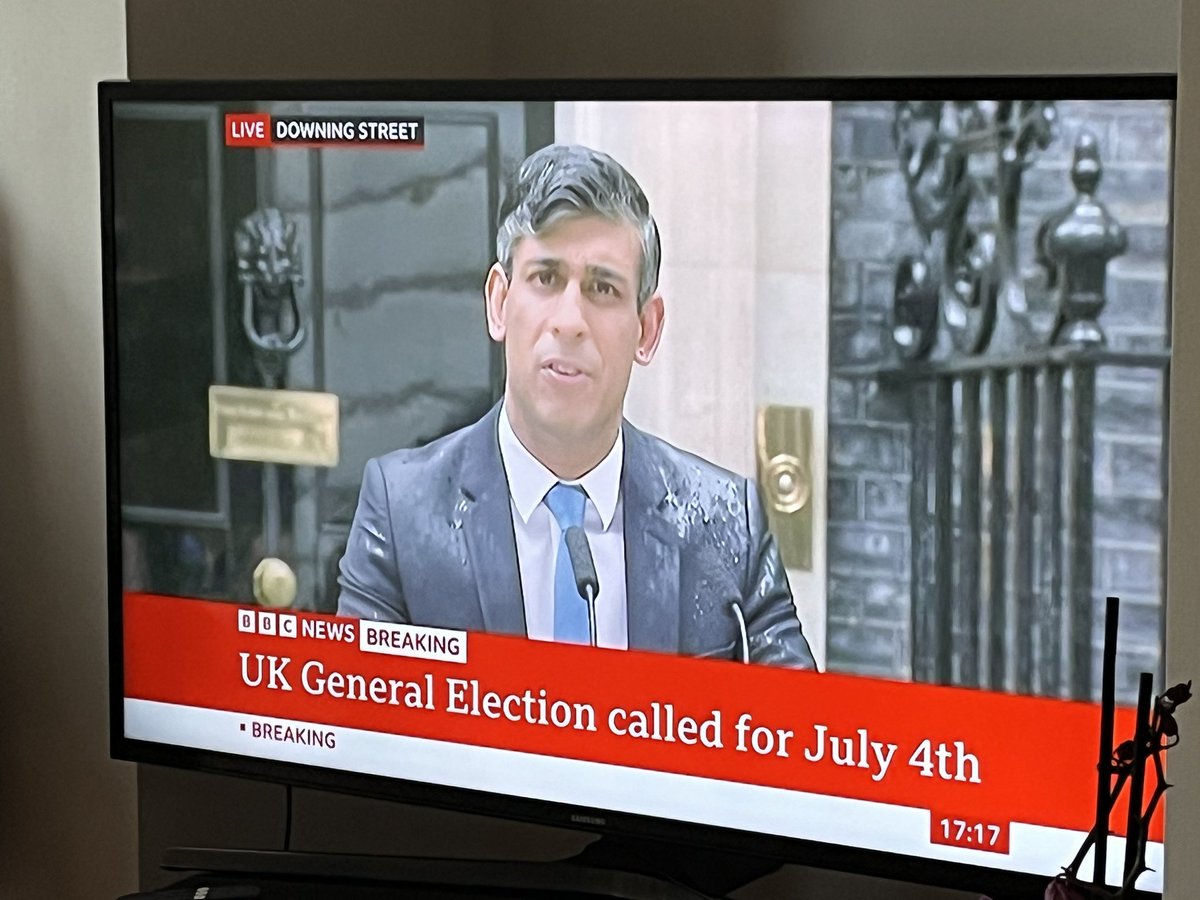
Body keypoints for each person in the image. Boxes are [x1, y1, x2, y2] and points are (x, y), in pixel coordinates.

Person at [337, 144, 816, 668]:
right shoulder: (402, 512)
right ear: (499, 303)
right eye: (546, 278)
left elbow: (792, 733)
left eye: (602, 288)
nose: (569, 320)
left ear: (647, 330)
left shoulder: (728, 525)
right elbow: (362, 731)